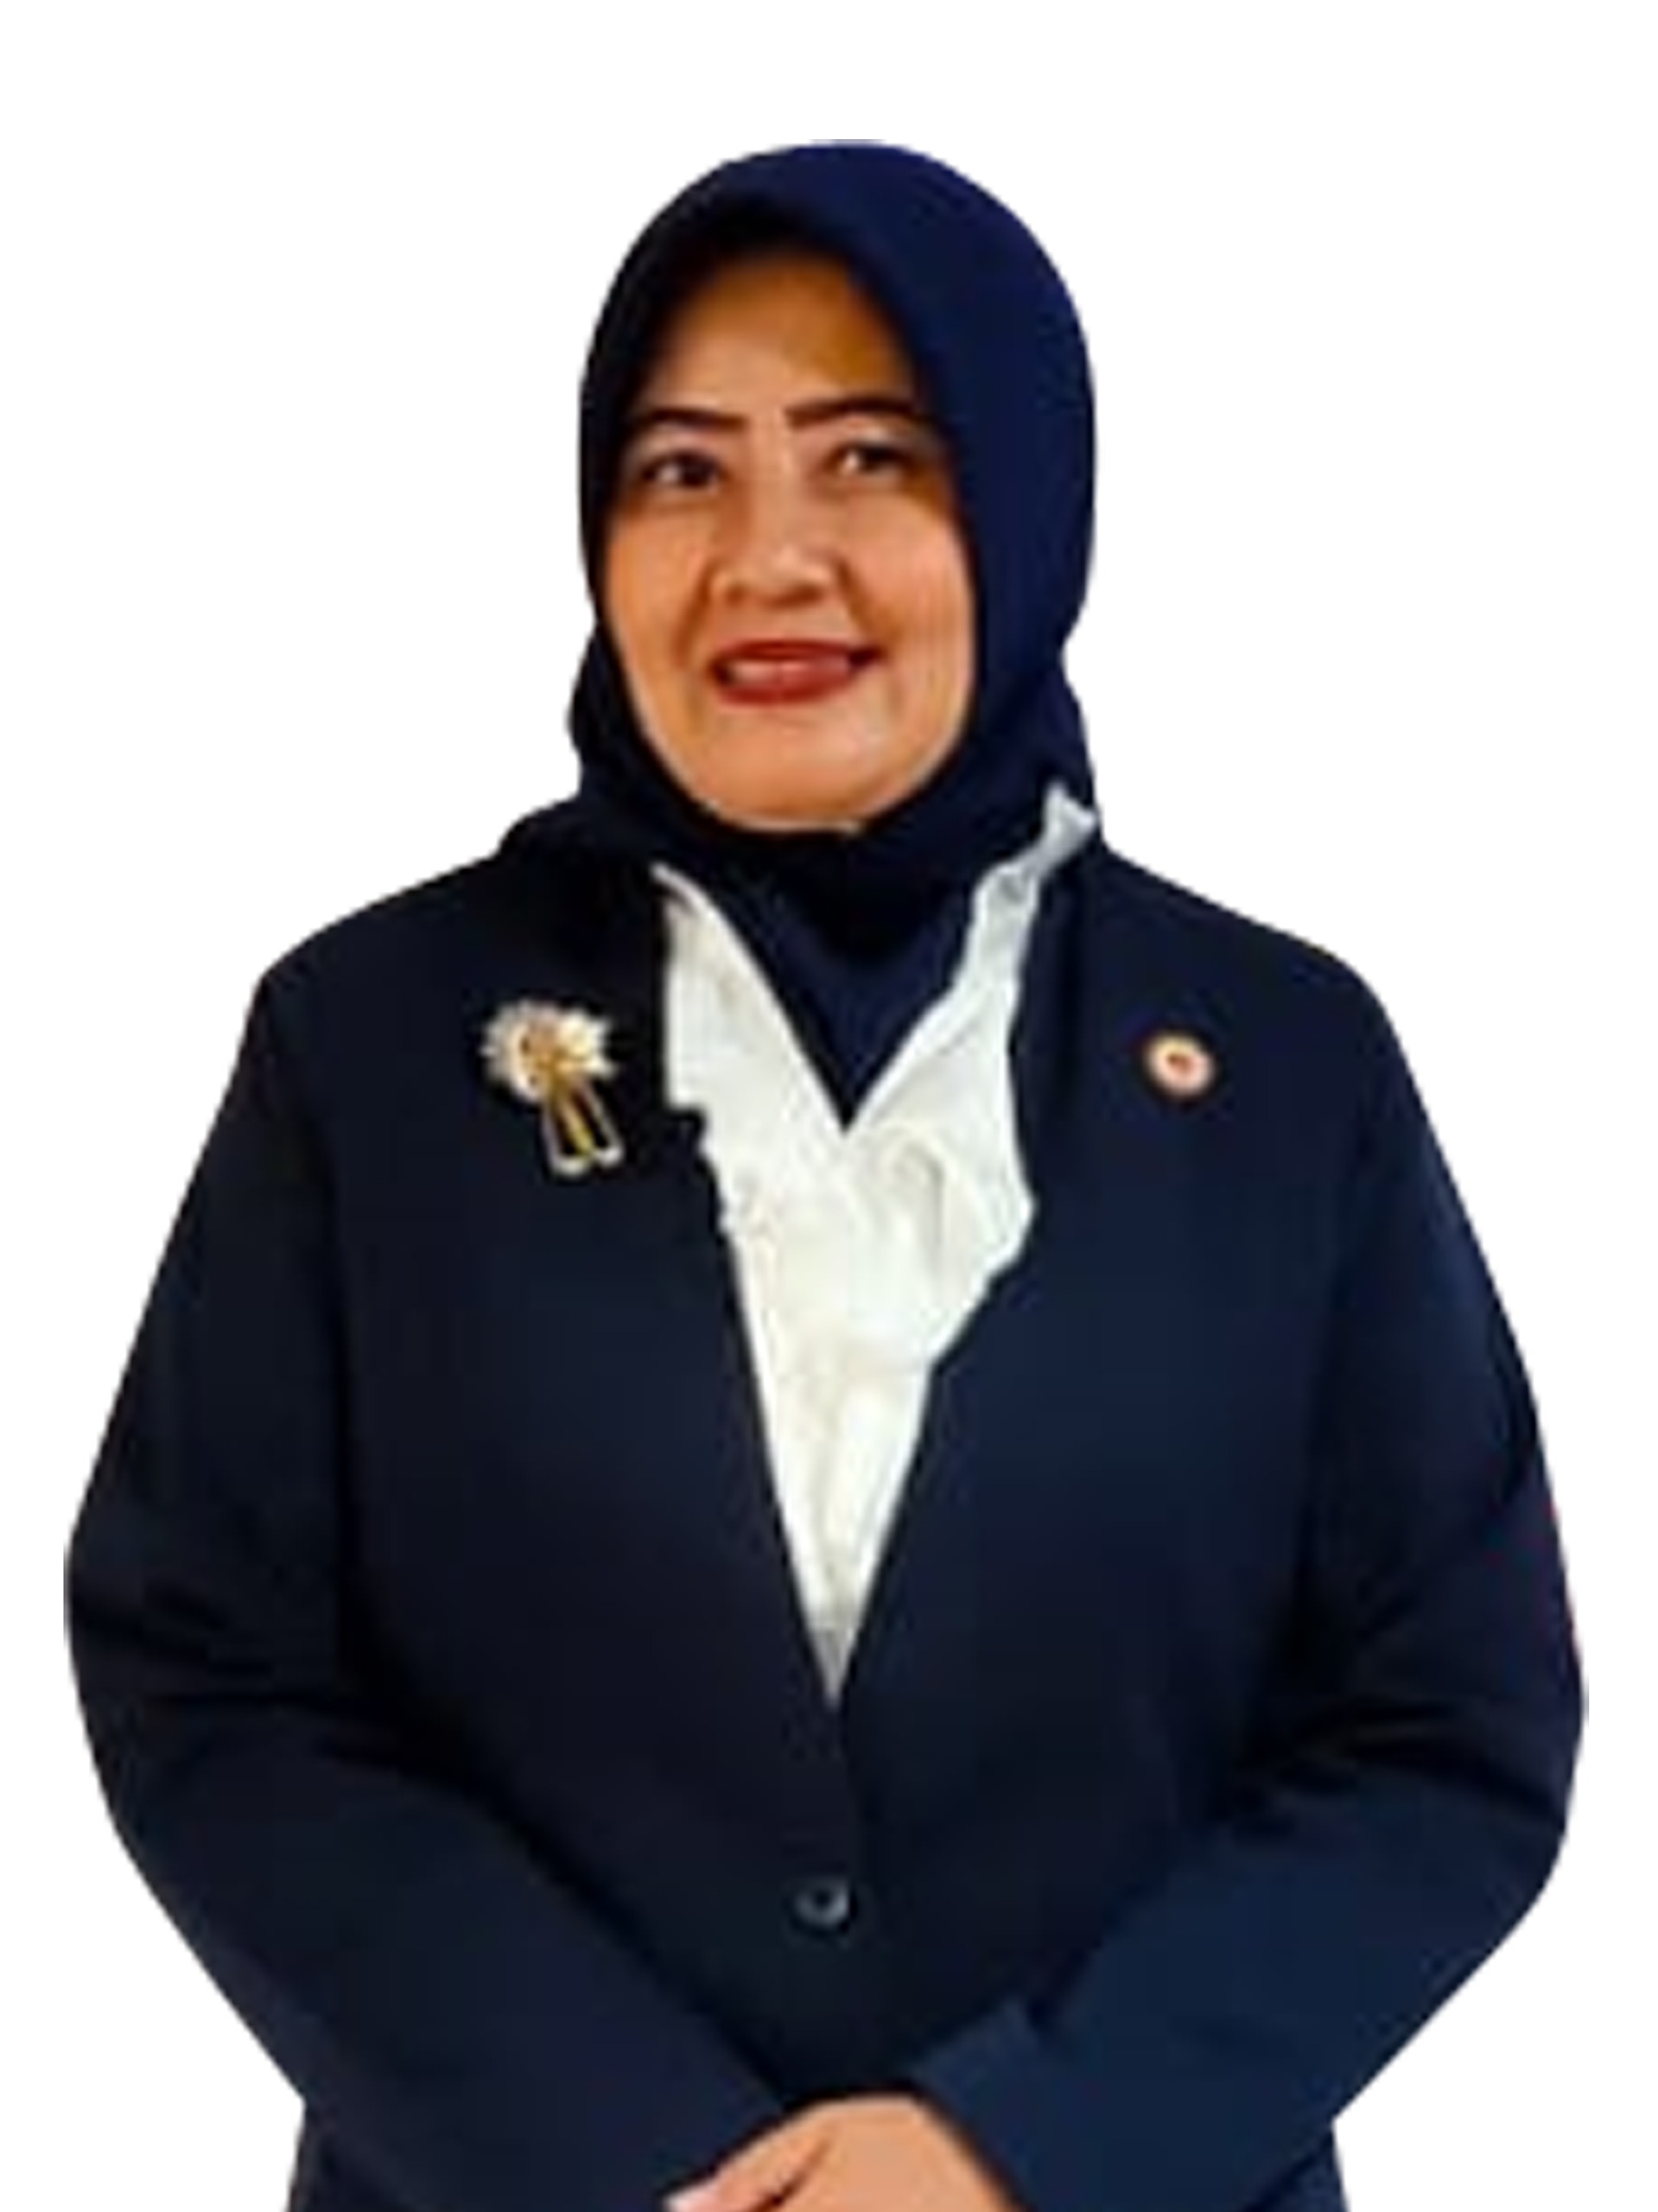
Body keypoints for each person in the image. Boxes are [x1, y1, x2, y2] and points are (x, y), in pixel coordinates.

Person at [67, 142, 1581, 2212]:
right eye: (681, 470)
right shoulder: (366, 1042)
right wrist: (645, 2160)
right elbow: (209, 1673)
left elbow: (1446, 1726)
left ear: (1030, 505)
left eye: (873, 457)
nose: (768, 555)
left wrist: (1023, 2142)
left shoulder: (1290, 1066)